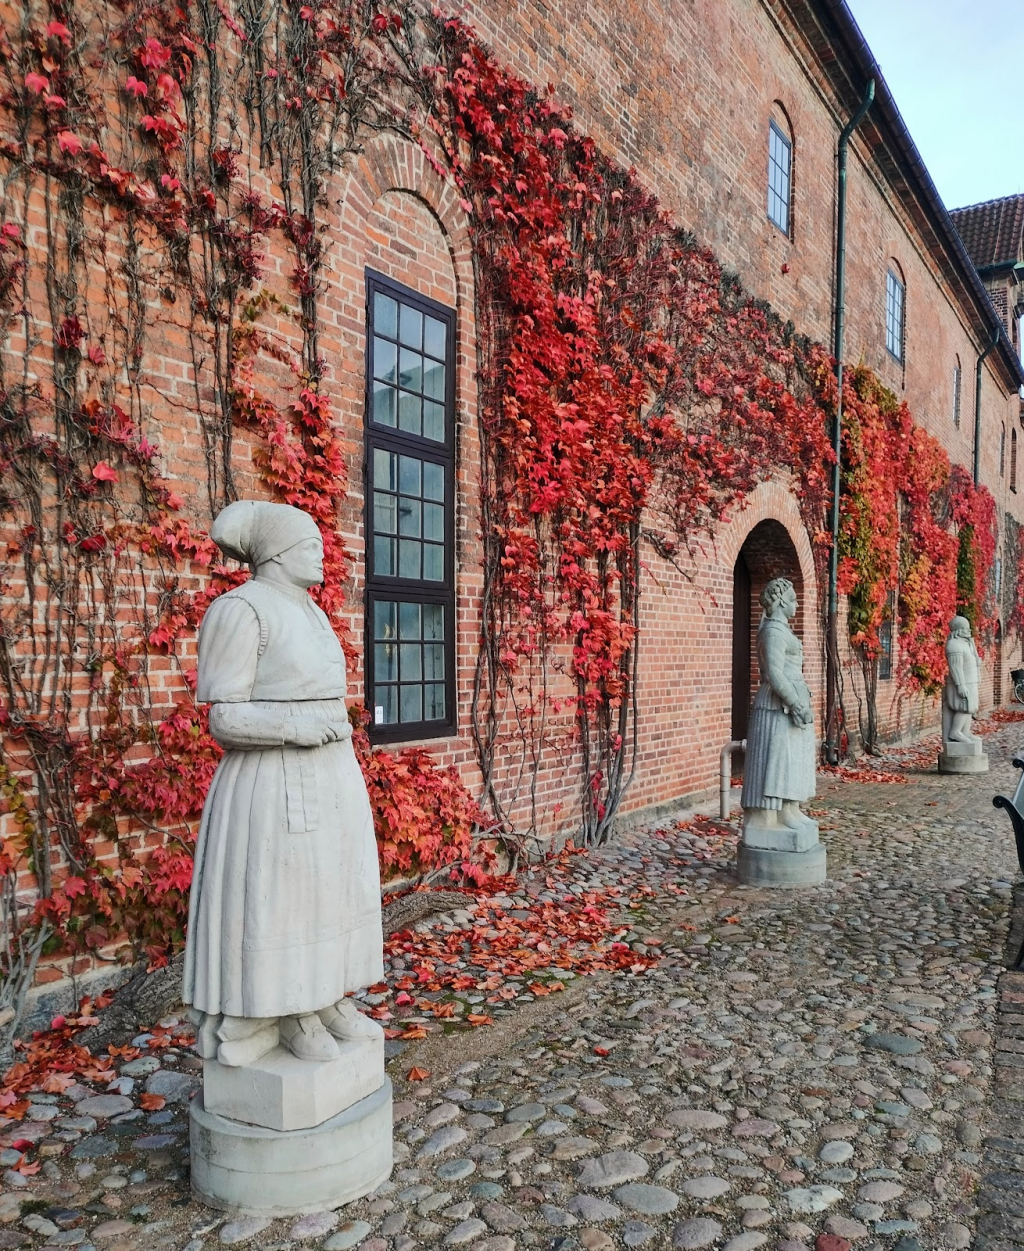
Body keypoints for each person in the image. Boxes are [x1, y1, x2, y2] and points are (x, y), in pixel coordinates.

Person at [184, 500, 382, 1064]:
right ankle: (284, 1012)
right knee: (282, 900)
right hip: (274, 782)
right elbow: (225, 719)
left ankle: (325, 999)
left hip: (331, 774)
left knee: (331, 890)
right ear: (275, 554)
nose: (322, 554)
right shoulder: (241, 610)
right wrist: (295, 728)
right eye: (309, 546)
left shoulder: (311, 611)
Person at [740, 576, 816, 831]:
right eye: (793, 600)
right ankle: (774, 814)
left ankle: (789, 808)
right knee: (780, 759)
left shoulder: (783, 630)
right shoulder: (773, 631)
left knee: (793, 759)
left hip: (789, 703)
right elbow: (774, 673)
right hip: (777, 704)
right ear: (782, 601)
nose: (797, 605)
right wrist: (795, 703)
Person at [942, 614, 981, 746]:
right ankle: (955, 732)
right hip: (962, 682)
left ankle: (965, 732)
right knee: (964, 707)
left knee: (970, 708)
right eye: (966, 628)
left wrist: (977, 661)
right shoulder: (954, 645)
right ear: (959, 630)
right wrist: (961, 685)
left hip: (971, 680)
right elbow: (955, 667)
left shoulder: (967, 643)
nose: (968, 631)